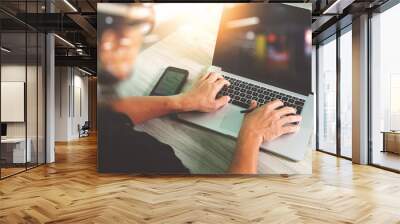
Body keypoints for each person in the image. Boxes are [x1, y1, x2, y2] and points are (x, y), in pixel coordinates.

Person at [97, 4, 302, 174]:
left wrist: (182, 101)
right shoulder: (150, 165)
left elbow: (111, 115)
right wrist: (252, 135)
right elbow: (230, 206)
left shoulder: (103, 131)